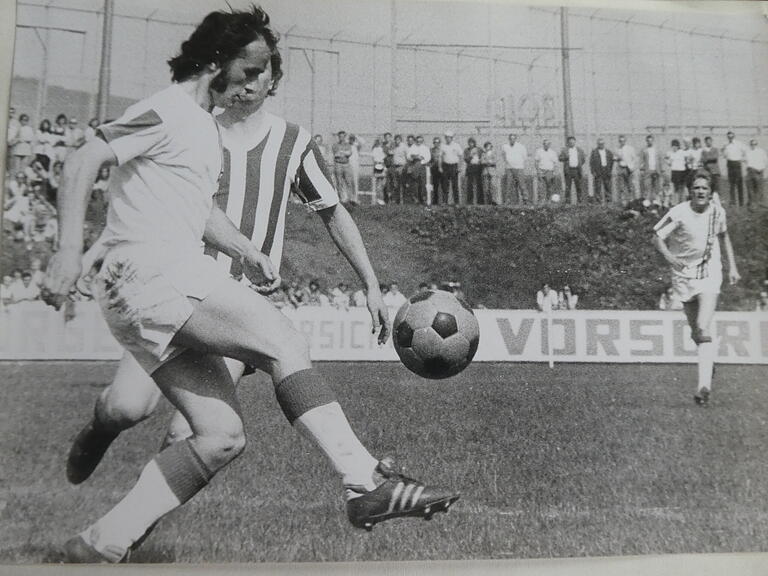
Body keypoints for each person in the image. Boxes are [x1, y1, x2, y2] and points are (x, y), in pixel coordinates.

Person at [47, 9, 457, 563]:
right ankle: (366, 484)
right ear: (217, 63)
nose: (256, 82)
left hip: (153, 287)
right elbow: (82, 160)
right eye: (250, 68)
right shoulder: (166, 111)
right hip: (155, 275)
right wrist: (68, 252)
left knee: (220, 436)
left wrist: (244, 249)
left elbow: (198, 210)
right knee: (282, 343)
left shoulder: (200, 126)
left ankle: (99, 544)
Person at [652, 172, 740, 406]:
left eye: (705, 188)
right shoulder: (679, 212)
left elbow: (725, 237)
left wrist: (732, 267)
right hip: (683, 275)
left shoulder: (717, 212)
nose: (701, 191)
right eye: (696, 188)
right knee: (696, 333)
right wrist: (670, 258)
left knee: (703, 327)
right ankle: (708, 361)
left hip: (710, 273)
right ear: (689, 191)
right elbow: (657, 238)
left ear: (710, 192)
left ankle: (703, 388)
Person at [722, 131, 746, 207]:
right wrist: (724, 149)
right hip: (730, 164)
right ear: (727, 137)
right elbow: (724, 155)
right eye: (729, 137)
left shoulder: (739, 143)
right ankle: (733, 202)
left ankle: (741, 202)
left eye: (731, 136)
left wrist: (741, 159)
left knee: (739, 184)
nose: (730, 138)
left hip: (737, 164)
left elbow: (745, 151)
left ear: (734, 136)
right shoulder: (726, 145)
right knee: (731, 184)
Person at [559, 136, 585, 204]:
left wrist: (578, 165)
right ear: (568, 143)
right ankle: (567, 202)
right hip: (568, 170)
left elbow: (583, 160)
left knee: (579, 186)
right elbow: (560, 158)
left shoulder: (579, 150)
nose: (571, 143)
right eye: (570, 142)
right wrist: (565, 157)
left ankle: (580, 201)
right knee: (568, 187)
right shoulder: (564, 150)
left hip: (577, 170)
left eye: (573, 142)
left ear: (575, 142)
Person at [502, 134, 527, 204]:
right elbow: (503, 156)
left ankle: (525, 200)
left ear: (515, 139)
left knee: (522, 185)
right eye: (510, 138)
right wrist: (509, 162)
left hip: (519, 168)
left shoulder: (521, 146)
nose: (512, 140)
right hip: (509, 168)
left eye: (513, 138)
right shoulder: (505, 146)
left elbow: (524, 157)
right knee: (508, 185)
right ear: (509, 139)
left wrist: (518, 163)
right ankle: (507, 201)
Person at [439, 131, 463, 205]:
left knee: (455, 185)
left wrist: (459, 167)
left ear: (452, 138)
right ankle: (445, 201)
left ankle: (456, 202)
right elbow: (440, 157)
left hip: (454, 166)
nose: (447, 139)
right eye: (446, 137)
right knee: (445, 185)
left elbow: (461, 156)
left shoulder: (457, 145)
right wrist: (440, 167)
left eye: (449, 137)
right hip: (445, 166)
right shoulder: (442, 146)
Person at [589, 137, 614, 204]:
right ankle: (598, 201)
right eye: (599, 144)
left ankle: (608, 200)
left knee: (608, 186)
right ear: (597, 144)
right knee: (598, 187)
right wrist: (593, 171)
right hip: (598, 171)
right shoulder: (594, 152)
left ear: (604, 144)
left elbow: (611, 162)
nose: (601, 145)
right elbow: (591, 163)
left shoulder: (608, 152)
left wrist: (609, 170)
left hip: (606, 170)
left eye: (602, 144)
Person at [332, 130, 354, 204]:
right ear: (338, 137)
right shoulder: (335, 145)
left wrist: (342, 152)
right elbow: (336, 154)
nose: (342, 138)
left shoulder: (348, 145)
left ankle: (350, 198)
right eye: (340, 136)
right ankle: (341, 198)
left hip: (346, 164)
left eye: (343, 136)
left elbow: (349, 153)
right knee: (339, 182)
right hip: (338, 164)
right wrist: (344, 152)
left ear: (345, 137)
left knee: (349, 182)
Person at [640, 134, 663, 202]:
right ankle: (647, 202)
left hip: (656, 170)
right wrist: (641, 169)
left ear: (653, 141)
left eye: (651, 141)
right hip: (648, 170)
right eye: (648, 141)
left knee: (657, 187)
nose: (650, 142)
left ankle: (656, 202)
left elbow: (660, 160)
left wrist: (661, 170)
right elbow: (641, 160)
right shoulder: (644, 150)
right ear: (646, 141)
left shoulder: (657, 149)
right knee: (647, 187)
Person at [745, 138, 767, 208]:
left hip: (759, 171)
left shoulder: (761, 151)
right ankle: (752, 202)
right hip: (751, 171)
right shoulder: (748, 152)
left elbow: (766, 161)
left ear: (757, 144)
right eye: (752, 144)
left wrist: (761, 169)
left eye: (755, 144)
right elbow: (747, 162)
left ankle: (759, 202)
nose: (753, 145)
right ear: (750, 145)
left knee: (759, 188)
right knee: (750, 188)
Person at [615, 134, 637, 202]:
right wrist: (617, 158)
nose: (622, 142)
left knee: (630, 185)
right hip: (621, 168)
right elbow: (615, 158)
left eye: (623, 140)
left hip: (629, 169)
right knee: (622, 186)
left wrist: (632, 167)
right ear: (619, 141)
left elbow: (635, 159)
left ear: (625, 141)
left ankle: (632, 200)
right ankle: (623, 201)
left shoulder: (630, 148)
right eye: (620, 141)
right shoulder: (617, 149)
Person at [666, 139, 687, 206]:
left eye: (676, 146)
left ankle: (683, 203)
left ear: (678, 146)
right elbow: (669, 163)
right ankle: (675, 203)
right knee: (675, 189)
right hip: (675, 172)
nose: (674, 147)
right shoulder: (671, 153)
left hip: (682, 172)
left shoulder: (682, 152)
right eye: (673, 146)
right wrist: (666, 160)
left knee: (682, 188)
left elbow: (688, 158)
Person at [463, 137, 483, 205]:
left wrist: (480, 161)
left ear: (474, 143)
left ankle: (480, 201)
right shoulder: (466, 150)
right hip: (470, 168)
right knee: (470, 185)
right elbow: (466, 160)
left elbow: (483, 157)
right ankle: (469, 201)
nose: (471, 144)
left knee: (479, 185)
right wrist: (471, 155)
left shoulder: (479, 149)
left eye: (472, 142)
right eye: (469, 142)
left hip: (478, 168)